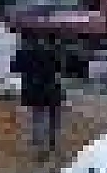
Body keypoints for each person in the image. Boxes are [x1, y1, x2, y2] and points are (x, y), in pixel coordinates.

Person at [9, 32, 65, 160]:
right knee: (53, 117)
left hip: (35, 90)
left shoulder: (24, 53)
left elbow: (14, 68)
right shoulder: (52, 50)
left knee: (38, 116)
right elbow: (60, 68)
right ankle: (52, 144)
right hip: (52, 88)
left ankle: (40, 146)